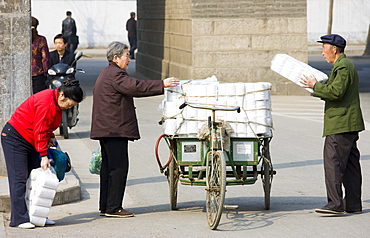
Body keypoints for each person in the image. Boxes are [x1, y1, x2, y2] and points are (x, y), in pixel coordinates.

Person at [90, 41, 179, 218]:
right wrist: (162, 84)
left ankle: (106, 206)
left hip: (108, 129)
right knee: (118, 168)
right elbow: (136, 87)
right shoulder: (116, 74)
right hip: (113, 129)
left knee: (108, 168)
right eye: (126, 55)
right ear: (116, 58)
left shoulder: (108, 72)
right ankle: (114, 207)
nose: (129, 59)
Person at [1, 80, 84, 229]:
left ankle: (36, 216)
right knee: (19, 179)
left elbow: (44, 128)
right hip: (15, 138)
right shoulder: (46, 103)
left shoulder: (56, 103)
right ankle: (18, 219)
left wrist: (50, 136)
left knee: (35, 179)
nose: (68, 108)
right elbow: (39, 130)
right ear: (62, 95)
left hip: (30, 140)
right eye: (69, 104)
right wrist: (44, 156)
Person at [300, 34, 365, 214]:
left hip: (340, 124)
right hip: (347, 124)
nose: (322, 52)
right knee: (351, 167)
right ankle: (353, 205)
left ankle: (335, 204)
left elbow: (336, 92)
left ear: (334, 49)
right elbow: (335, 91)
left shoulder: (343, 66)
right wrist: (319, 88)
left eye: (324, 48)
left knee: (333, 164)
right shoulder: (343, 66)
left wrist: (315, 86)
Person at [31, 16, 51, 94]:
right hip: (38, 74)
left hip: (23, 73)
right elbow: (45, 58)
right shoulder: (41, 40)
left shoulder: (21, 40)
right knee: (38, 97)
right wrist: (46, 73)